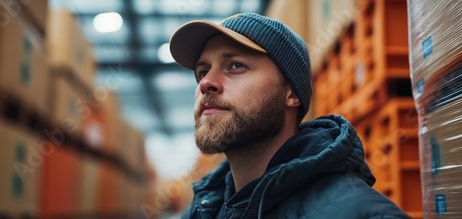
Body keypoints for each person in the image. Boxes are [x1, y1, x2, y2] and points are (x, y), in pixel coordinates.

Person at [169, 13, 411, 219]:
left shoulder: (362, 213)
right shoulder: (201, 210)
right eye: (202, 72)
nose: (206, 83)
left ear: (291, 93)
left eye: (236, 65)